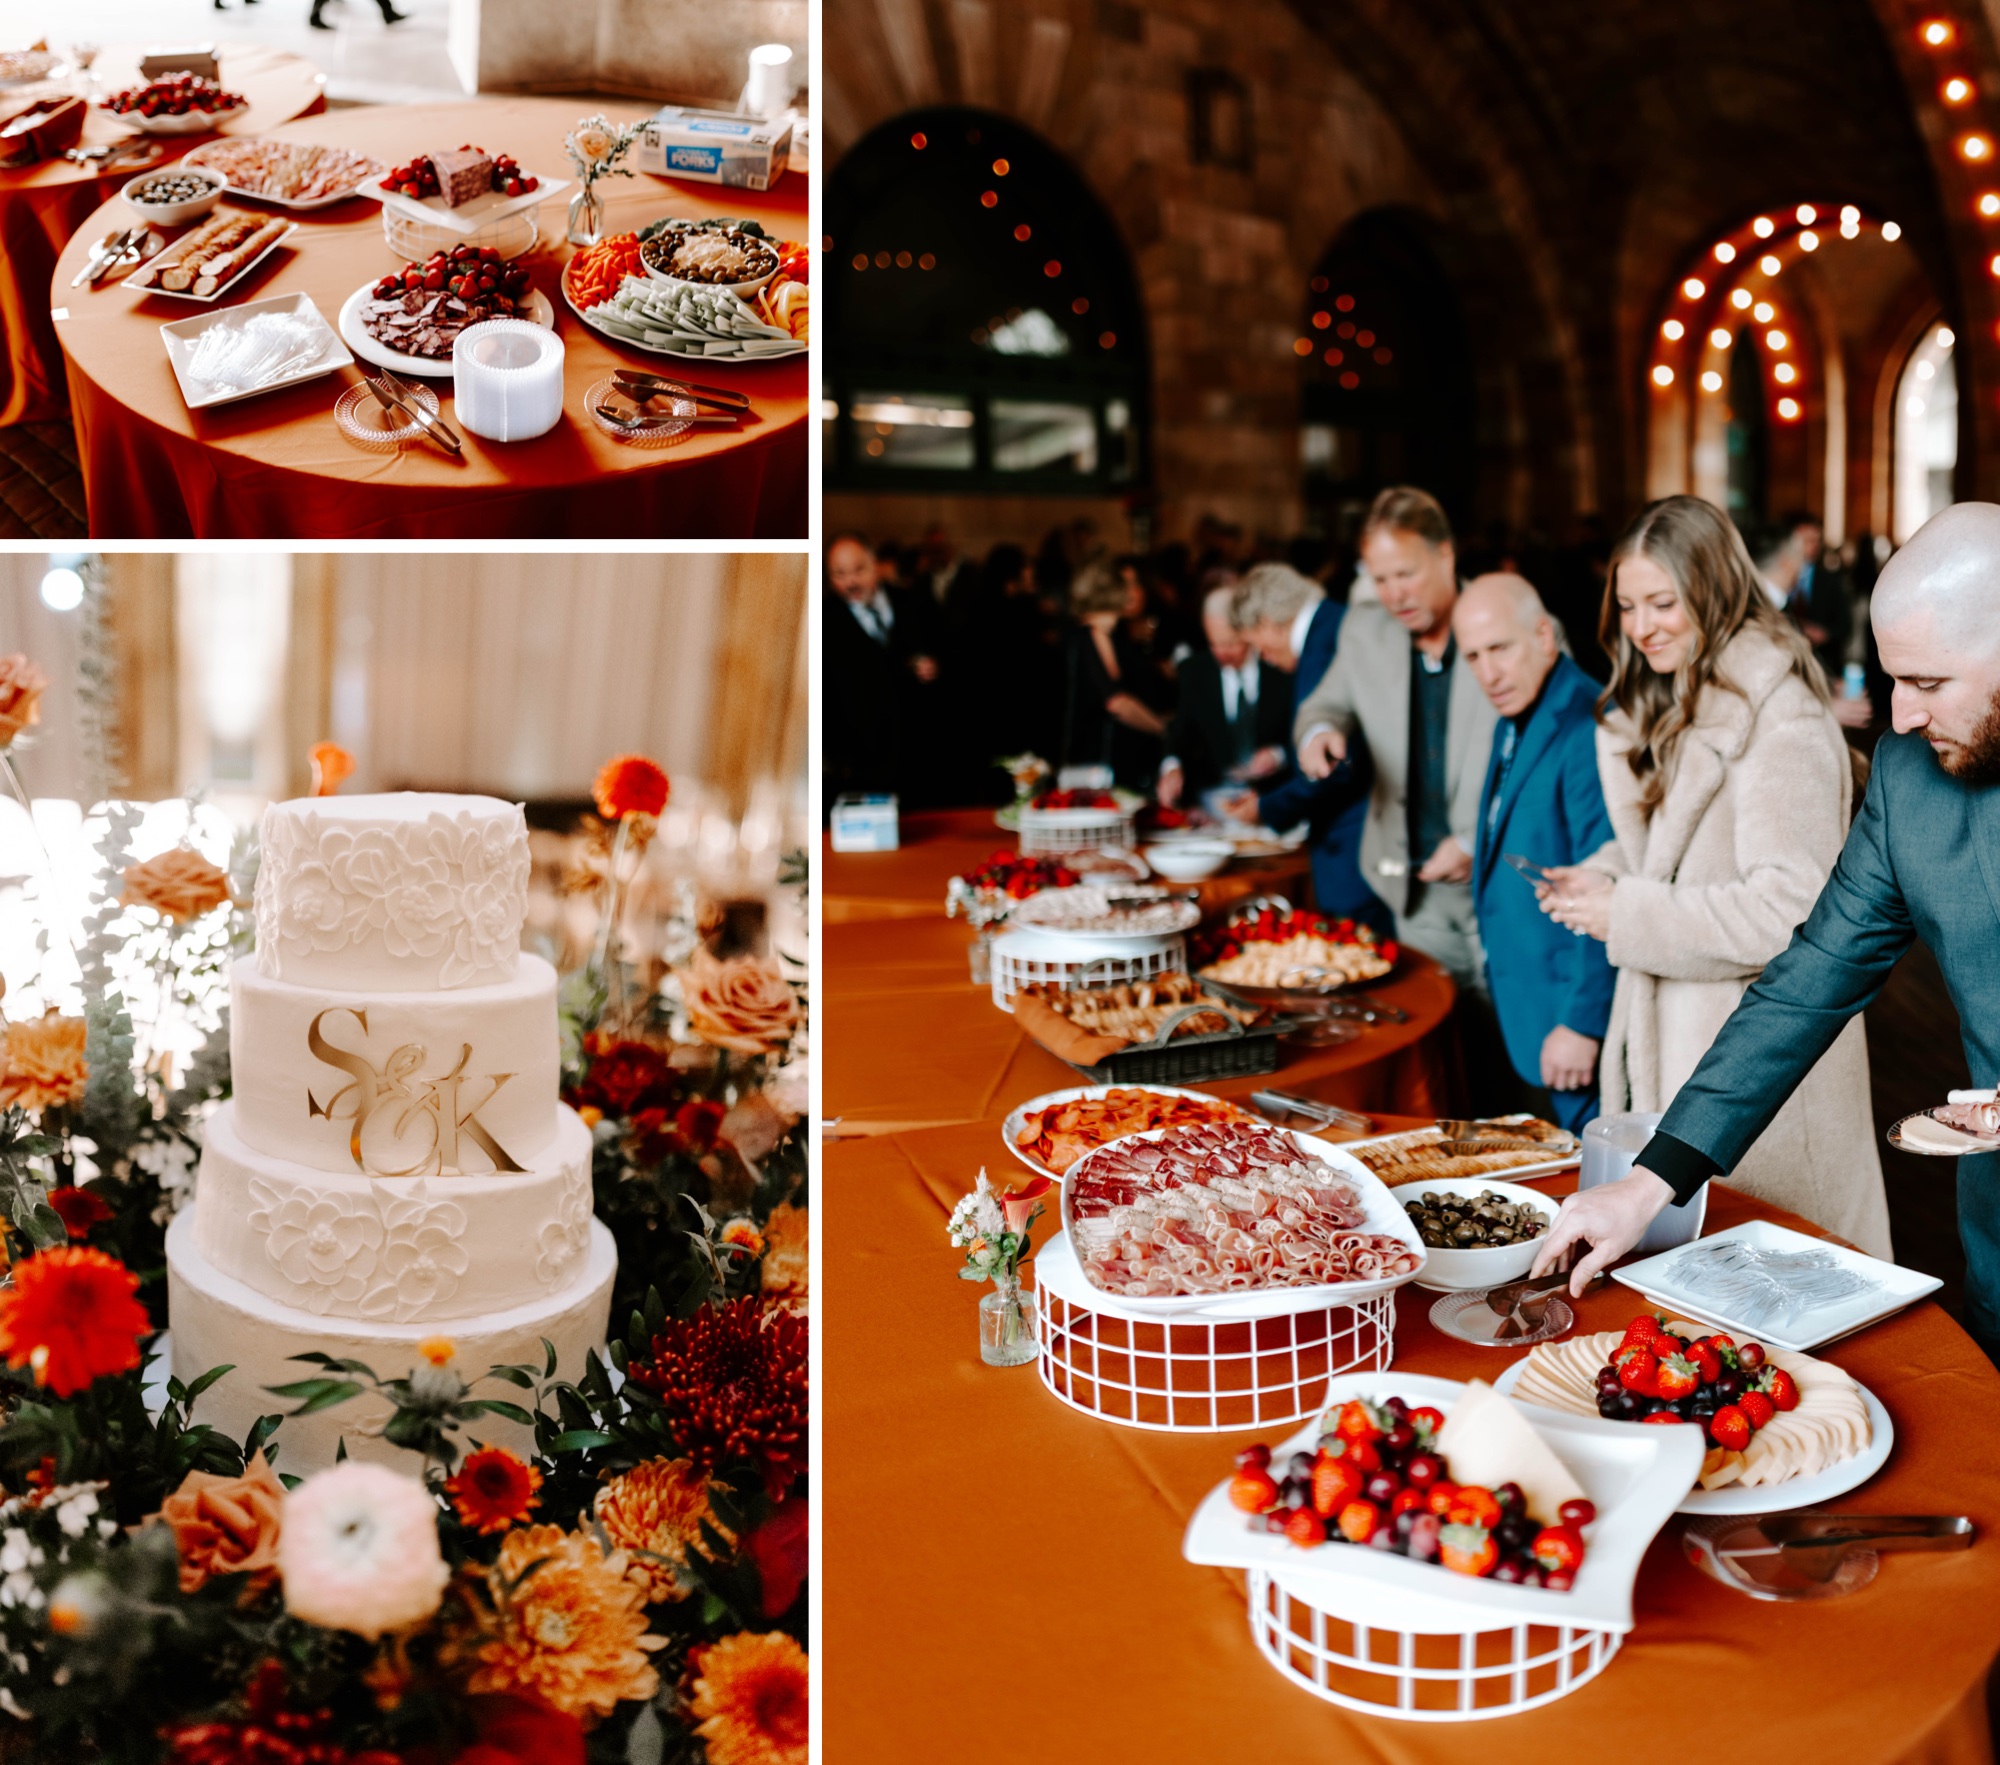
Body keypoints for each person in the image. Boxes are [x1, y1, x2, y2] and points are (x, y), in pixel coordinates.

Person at [1532, 494, 1889, 1263]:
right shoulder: (1675, 698)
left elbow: (1796, 913)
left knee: (1790, 1310)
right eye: (1627, 605)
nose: (1641, 625)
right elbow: (1673, 861)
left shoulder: (1782, 717)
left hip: (1761, 1074)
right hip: (1677, 1043)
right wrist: (1597, 880)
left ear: (1717, 590)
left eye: (1663, 602)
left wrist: (1625, 913)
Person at [1294, 486, 1499, 997]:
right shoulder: (1365, 631)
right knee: (1445, 1046)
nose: (1393, 595)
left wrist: (1475, 840)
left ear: (1445, 554)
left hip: (1504, 882)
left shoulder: (1507, 622)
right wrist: (1320, 734)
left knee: (1519, 1055)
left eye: (1405, 574)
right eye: (1379, 579)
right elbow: (1323, 706)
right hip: (1415, 889)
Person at [1456, 573, 1616, 1131]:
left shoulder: (1587, 722)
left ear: (1545, 636)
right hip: (1528, 1002)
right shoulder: (1521, 710)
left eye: (1500, 648)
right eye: (1472, 656)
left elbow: (1606, 877)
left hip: (1569, 1015)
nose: (1488, 673)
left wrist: (1582, 1022)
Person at [1222, 563, 1388, 935]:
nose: (1262, 656)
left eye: (1255, 643)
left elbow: (1333, 766)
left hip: (1355, 844)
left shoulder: (1322, 646)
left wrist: (1266, 808)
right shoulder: (1334, 623)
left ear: (1267, 622)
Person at [822, 533, 942, 811]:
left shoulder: (914, 602)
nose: (850, 582)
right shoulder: (825, 621)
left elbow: (946, 651)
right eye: (839, 574)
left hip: (923, 755)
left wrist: (935, 666)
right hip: (864, 766)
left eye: (858, 570)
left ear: (875, 564)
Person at [1157, 585, 1292, 808]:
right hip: (1214, 801)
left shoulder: (1278, 668)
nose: (1222, 653)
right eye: (1214, 644)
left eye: (1230, 643)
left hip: (1272, 798)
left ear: (1248, 633)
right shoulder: (1194, 672)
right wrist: (1172, 767)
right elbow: (1179, 733)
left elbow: (1297, 729)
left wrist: (1278, 755)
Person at [1059, 563, 1173, 789]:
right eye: (1127, 586)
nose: (1133, 592)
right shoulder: (1089, 636)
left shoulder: (1103, 636)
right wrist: (1163, 729)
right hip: (1093, 767)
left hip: (1106, 764)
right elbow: (1116, 703)